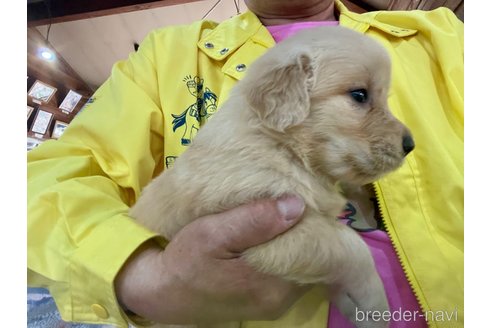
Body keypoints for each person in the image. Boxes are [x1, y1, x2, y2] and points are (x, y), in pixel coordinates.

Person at [27, 0, 464, 327]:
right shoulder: (167, 55)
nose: (396, 129)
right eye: (361, 98)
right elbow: (34, 189)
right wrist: (142, 276)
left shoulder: (439, 35)